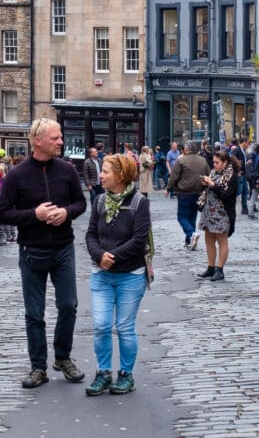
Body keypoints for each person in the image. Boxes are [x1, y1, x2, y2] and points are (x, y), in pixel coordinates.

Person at [0, 118, 88, 389]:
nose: (61, 142)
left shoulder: (67, 170)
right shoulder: (17, 174)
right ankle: (38, 367)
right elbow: (3, 214)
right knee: (34, 313)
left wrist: (67, 212)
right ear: (38, 141)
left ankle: (63, 357)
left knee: (68, 306)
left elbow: (81, 203)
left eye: (60, 137)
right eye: (55, 138)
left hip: (63, 248)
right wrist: (34, 215)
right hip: (31, 250)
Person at [85, 154, 151, 397]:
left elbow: (138, 239)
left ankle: (126, 374)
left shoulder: (139, 203)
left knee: (124, 326)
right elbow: (90, 234)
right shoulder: (100, 201)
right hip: (101, 274)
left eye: (106, 171)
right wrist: (99, 255)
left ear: (121, 175)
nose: (101, 175)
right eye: (101, 171)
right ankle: (103, 372)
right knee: (101, 325)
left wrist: (111, 256)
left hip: (130, 274)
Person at [196, 150, 238, 281]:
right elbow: (209, 189)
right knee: (208, 239)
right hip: (209, 211)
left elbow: (226, 195)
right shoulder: (214, 172)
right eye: (213, 162)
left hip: (222, 213)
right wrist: (204, 184)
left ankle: (220, 270)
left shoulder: (231, 176)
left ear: (225, 163)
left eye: (217, 162)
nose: (214, 165)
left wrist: (212, 185)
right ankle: (210, 267)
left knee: (222, 240)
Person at [165, 140, 210, 250]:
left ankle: (191, 234)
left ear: (186, 149)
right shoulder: (203, 160)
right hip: (198, 192)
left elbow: (174, 177)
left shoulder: (181, 160)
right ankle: (189, 241)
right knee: (192, 218)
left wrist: (168, 189)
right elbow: (209, 174)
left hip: (184, 192)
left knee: (182, 217)